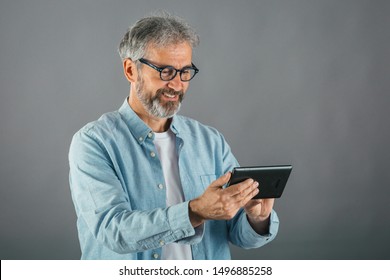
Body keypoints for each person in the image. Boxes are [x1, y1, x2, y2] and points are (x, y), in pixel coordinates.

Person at [69, 12, 279, 260]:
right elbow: (113, 231)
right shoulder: (94, 143)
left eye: (185, 72)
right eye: (165, 71)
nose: (177, 84)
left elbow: (237, 234)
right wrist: (195, 212)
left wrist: (257, 217)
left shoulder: (210, 142)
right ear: (130, 70)